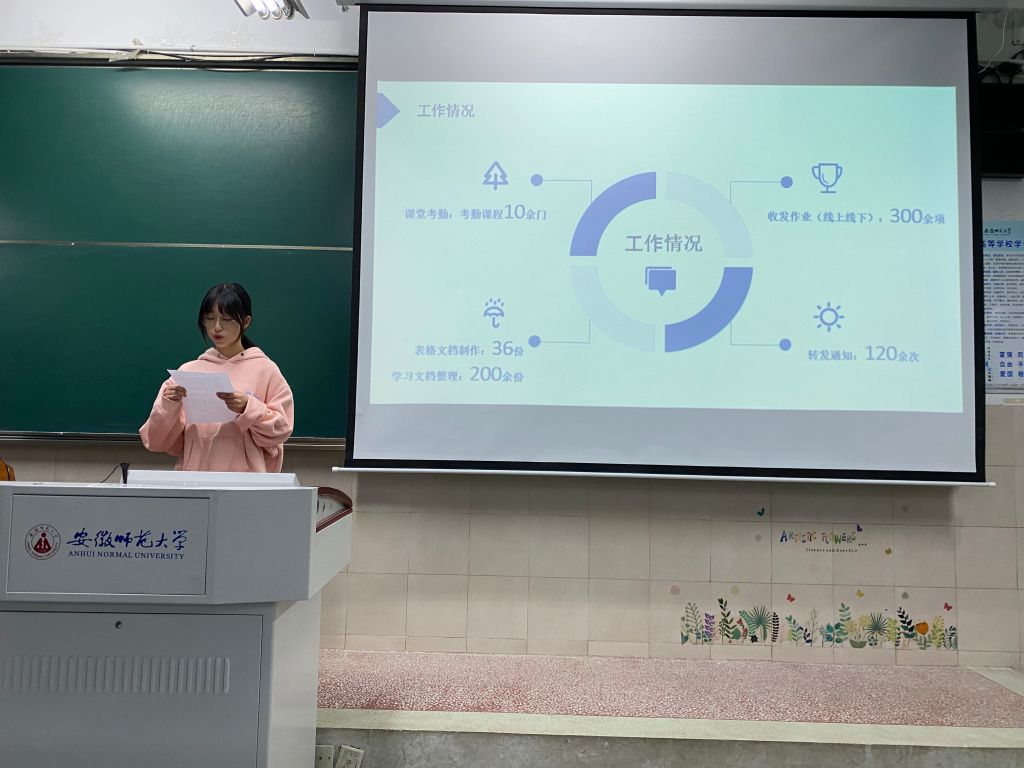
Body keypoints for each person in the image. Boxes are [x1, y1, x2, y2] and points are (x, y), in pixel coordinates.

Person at [140, 283, 294, 472]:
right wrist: (168, 405)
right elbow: (156, 441)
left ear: (246, 322)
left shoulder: (265, 370)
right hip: (194, 479)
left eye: (226, 319)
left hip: (247, 482)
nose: (217, 327)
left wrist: (248, 407)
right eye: (209, 319)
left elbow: (281, 431)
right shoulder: (187, 373)